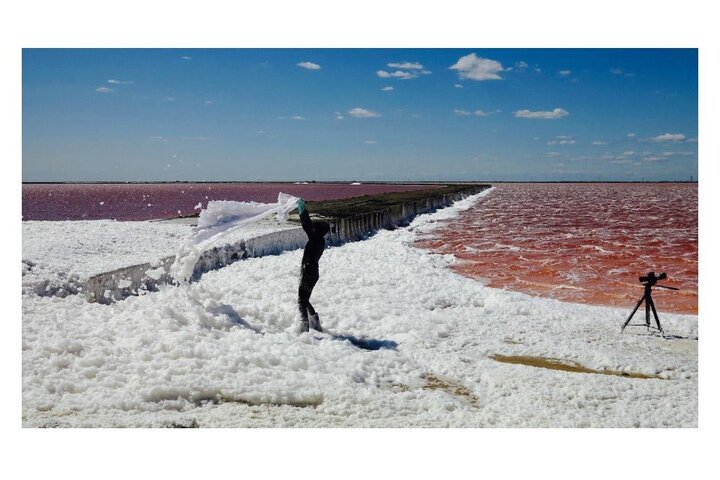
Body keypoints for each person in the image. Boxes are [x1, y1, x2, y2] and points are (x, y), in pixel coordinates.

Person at [297, 198, 331, 333]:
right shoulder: (320, 240)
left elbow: (307, 225)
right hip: (313, 273)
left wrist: (302, 210)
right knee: (305, 299)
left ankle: (304, 328)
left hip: (308, 272)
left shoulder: (315, 238)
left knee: (301, 300)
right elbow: (309, 226)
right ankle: (315, 322)